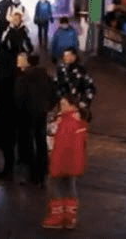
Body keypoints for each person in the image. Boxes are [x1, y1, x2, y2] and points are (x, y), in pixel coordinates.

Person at [0, 10, 32, 182]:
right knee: (19, 138)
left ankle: (12, 168)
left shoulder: (7, 74)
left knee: (11, 140)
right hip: (16, 111)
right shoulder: (21, 76)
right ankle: (22, 166)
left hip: (9, 112)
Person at [41, 94, 88, 230]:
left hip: (61, 162)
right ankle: (69, 217)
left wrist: (53, 165)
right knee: (70, 187)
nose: (61, 107)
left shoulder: (66, 122)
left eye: (64, 104)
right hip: (74, 163)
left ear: (72, 106)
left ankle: (57, 217)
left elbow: (61, 146)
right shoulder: (80, 121)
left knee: (53, 186)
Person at [14, 52, 54, 186]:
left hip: (27, 115)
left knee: (28, 144)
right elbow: (54, 93)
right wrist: (48, 107)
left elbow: (19, 98)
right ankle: (42, 175)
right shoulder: (46, 77)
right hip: (41, 113)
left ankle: (31, 175)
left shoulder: (24, 78)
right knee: (41, 143)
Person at [54, 47, 96, 117]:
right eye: (65, 56)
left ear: (74, 57)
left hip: (77, 105)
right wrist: (60, 98)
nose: (67, 58)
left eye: (69, 55)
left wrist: (84, 102)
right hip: (64, 105)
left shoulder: (80, 70)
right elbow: (56, 84)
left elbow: (89, 87)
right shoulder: (60, 70)